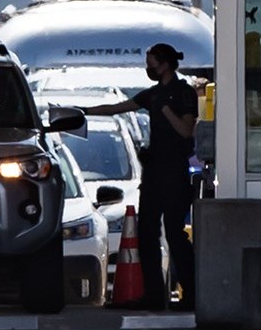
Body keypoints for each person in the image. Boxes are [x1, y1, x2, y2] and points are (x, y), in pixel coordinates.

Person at [81, 43, 199, 311]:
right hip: (155, 173)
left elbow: (186, 131)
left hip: (175, 174)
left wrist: (166, 110)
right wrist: (84, 112)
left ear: (165, 64)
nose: (149, 68)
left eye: (152, 63)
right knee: (146, 234)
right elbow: (117, 108)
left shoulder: (183, 93)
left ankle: (190, 295)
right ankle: (154, 296)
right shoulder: (153, 95)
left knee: (174, 234)